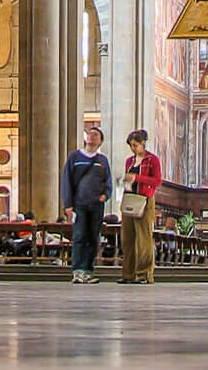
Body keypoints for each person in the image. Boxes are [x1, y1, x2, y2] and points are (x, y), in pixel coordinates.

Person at [61, 120, 112, 282]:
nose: (92, 136)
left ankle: (88, 270)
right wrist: (68, 204)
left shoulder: (102, 161)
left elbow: (108, 181)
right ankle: (78, 270)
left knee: (92, 237)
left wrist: (106, 194)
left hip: (96, 205)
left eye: (95, 135)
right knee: (79, 236)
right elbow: (66, 180)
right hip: (79, 204)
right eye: (90, 134)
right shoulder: (74, 157)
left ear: (100, 141)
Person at [119, 127, 162, 284]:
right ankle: (128, 274)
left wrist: (137, 177)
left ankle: (144, 274)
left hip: (144, 200)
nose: (133, 148)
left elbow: (157, 181)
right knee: (127, 238)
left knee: (143, 239)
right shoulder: (129, 161)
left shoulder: (152, 160)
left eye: (136, 145)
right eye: (131, 145)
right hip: (130, 198)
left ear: (143, 143)